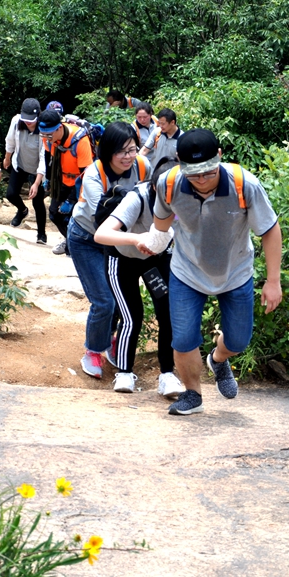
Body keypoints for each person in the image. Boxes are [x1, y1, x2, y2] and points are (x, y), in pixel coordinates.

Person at [148, 129, 282, 415]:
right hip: (187, 272)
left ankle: (218, 359)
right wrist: (147, 245)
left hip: (235, 273)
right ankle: (193, 394)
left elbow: (269, 230)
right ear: (179, 163)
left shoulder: (244, 184)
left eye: (208, 172)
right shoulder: (168, 183)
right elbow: (161, 224)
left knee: (238, 340)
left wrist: (273, 281)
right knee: (183, 339)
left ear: (219, 156)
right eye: (193, 174)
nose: (201, 180)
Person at [94, 157, 184, 398]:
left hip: (156, 259)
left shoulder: (185, 199)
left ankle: (167, 374)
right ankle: (124, 372)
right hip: (121, 259)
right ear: (156, 187)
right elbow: (101, 234)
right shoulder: (138, 197)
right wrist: (136, 239)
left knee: (168, 313)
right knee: (132, 316)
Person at [67, 122, 152, 378]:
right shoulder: (94, 176)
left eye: (132, 149)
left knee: (121, 297)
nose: (128, 156)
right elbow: (105, 218)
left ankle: (113, 340)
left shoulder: (143, 166)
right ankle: (93, 350)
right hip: (87, 238)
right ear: (107, 152)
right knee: (104, 300)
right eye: (122, 151)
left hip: (121, 239)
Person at [38, 108, 94, 255]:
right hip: (62, 179)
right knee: (54, 214)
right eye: (43, 134)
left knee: (73, 217)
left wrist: (71, 199)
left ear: (59, 127)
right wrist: (48, 179)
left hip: (79, 184)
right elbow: (49, 158)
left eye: (49, 134)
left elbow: (85, 175)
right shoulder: (48, 138)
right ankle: (70, 241)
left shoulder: (80, 140)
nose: (46, 138)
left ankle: (75, 245)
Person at [3, 98, 48, 244]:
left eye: (31, 120)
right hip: (20, 163)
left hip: (37, 169)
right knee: (11, 194)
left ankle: (41, 234)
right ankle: (22, 210)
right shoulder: (16, 121)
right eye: (26, 119)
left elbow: (43, 157)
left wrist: (36, 183)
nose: (28, 122)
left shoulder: (43, 129)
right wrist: (7, 158)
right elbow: (10, 141)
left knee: (37, 201)